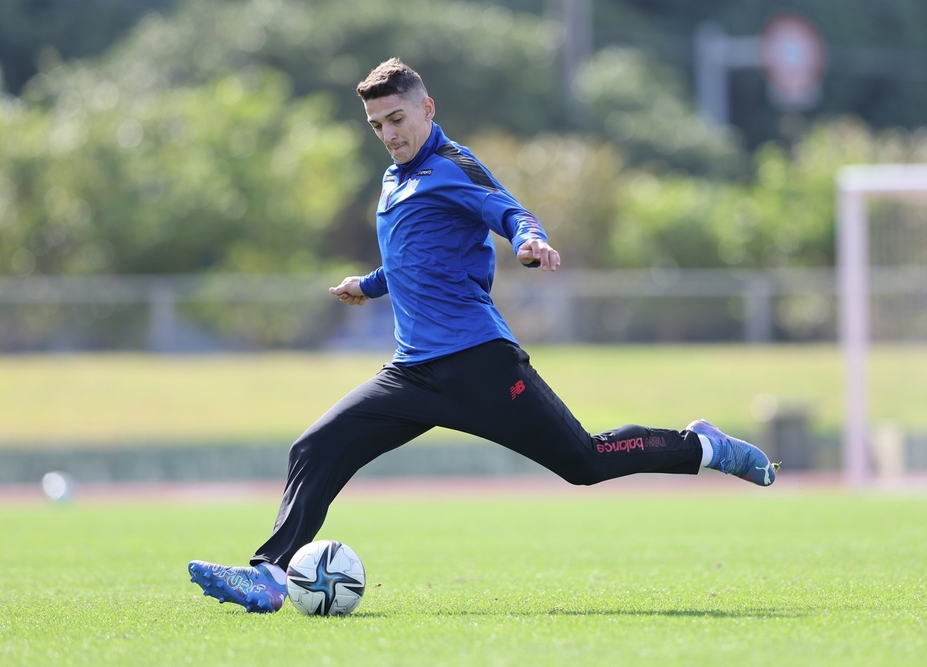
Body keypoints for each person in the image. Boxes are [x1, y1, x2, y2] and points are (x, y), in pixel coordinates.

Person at [188, 58, 779, 613]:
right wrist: (367, 286)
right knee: (315, 447)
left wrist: (529, 239)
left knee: (584, 461)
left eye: (397, 118)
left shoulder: (453, 165)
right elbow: (413, 258)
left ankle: (703, 446)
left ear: (427, 109)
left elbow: (509, 210)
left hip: (479, 364)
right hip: (412, 374)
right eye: (377, 125)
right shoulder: (394, 180)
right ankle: (270, 577)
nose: (389, 133)